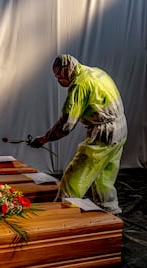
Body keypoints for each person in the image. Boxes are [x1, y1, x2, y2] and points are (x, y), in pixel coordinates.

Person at [30, 54, 127, 214]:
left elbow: (66, 125)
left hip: (103, 135)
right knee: (104, 174)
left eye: (59, 77)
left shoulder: (79, 85)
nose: (59, 81)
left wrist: (44, 139)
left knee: (73, 177)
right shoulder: (95, 72)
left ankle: (63, 213)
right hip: (121, 128)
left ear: (68, 69)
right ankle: (109, 211)